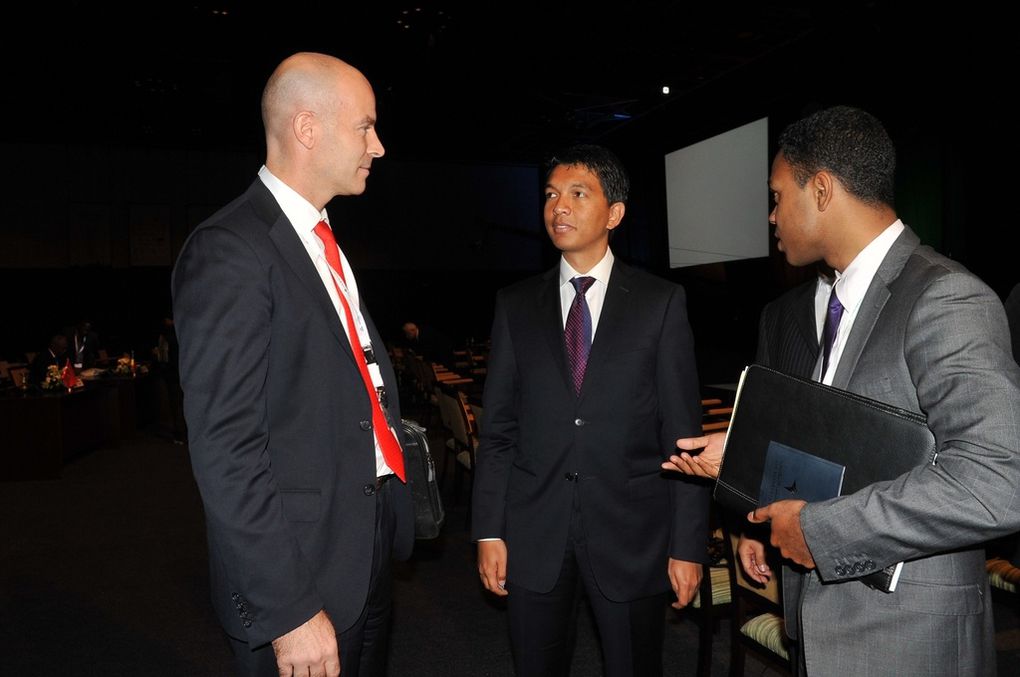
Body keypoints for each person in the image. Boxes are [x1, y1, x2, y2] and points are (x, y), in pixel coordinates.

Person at [666, 105, 1020, 675]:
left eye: (778, 196)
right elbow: (852, 452)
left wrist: (820, 531)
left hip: (907, 642)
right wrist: (744, 458)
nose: (772, 215)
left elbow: (1002, 478)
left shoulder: (945, 297)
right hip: (824, 627)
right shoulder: (841, 301)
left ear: (823, 190)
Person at [172, 52, 413, 677]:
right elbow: (227, 448)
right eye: (365, 126)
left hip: (361, 543)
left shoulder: (321, 240)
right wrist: (287, 609)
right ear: (308, 129)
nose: (379, 146)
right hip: (299, 574)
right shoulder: (231, 250)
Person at [471, 144, 708, 677]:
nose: (559, 207)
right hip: (533, 533)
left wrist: (688, 545)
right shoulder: (515, 305)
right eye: (552, 195)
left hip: (632, 534)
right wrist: (489, 530)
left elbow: (682, 434)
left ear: (615, 213)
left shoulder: (660, 302)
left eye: (578, 194)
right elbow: (500, 429)